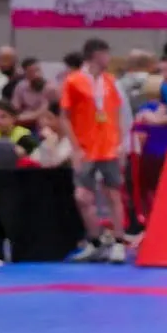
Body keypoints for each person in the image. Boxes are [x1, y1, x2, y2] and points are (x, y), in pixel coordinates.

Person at [59, 37, 129, 262]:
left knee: (113, 194)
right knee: (82, 197)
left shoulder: (110, 81)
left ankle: (118, 242)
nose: (109, 58)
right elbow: (65, 117)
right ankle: (96, 241)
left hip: (108, 147)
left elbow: (116, 112)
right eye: (106, 54)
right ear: (94, 55)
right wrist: (75, 147)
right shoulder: (73, 81)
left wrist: (120, 142)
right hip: (86, 148)